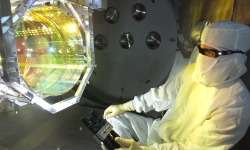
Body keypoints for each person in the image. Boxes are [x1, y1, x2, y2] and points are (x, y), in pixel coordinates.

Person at [102, 21, 250, 150]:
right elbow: (161, 96)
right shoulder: (193, 72)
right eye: (202, 50)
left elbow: (191, 148)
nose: (203, 59)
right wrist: (124, 107)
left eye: (211, 53)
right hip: (159, 132)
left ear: (235, 57)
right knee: (113, 120)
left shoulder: (235, 106)